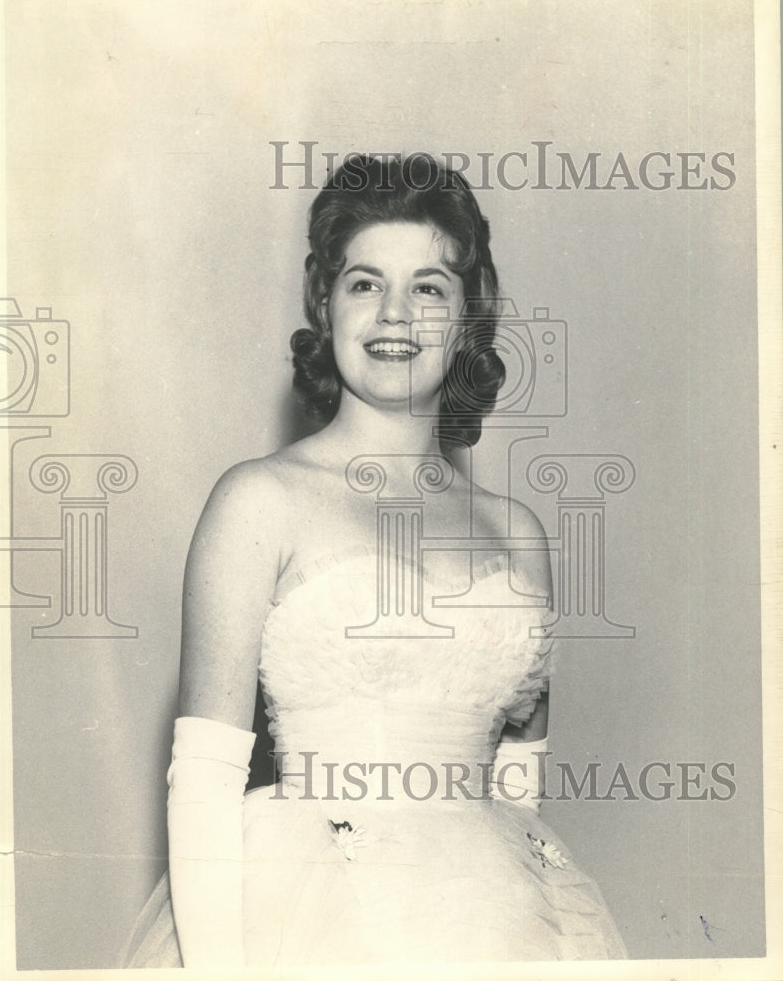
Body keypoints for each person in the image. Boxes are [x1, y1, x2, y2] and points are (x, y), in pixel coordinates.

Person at [121, 153, 627, 967]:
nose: (394, 313)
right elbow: (205, 781)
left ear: (468, 320)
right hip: (303, 914)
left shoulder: (518, 533)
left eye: (428, 287)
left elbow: (518, 788)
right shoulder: (259, 500)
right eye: (364, 283)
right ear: (325, 308)